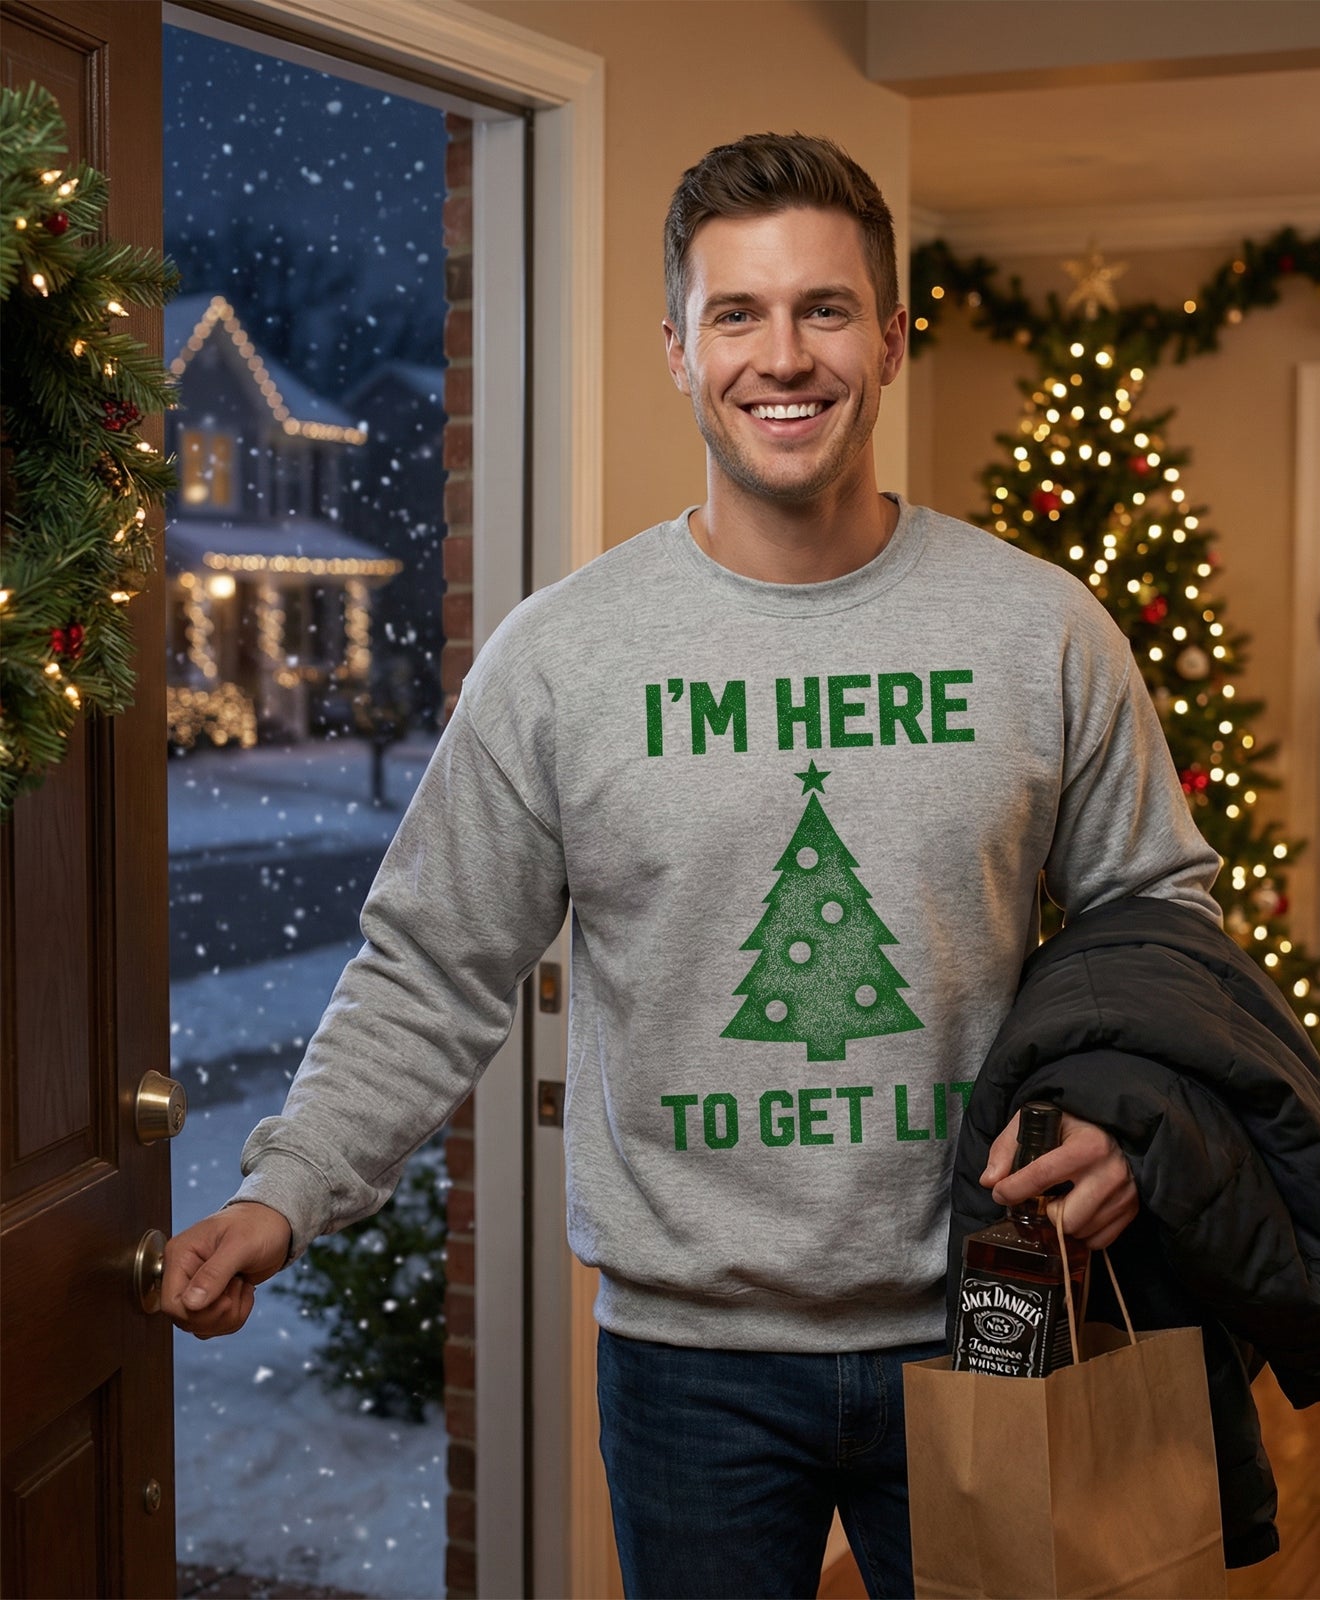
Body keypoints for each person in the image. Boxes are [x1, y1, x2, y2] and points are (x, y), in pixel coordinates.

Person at [161, 133, 1222, 1600]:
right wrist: (286, 1189)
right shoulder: (563, 658)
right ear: (679, 346)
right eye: (738, 314)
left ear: (893, 338)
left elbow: (1160, 916)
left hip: (989, 1306)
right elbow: (432, 961)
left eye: (825, 310)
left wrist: (1130, 1121)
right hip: (689, 1366)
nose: (782, 356)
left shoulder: (1038, 630)